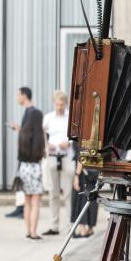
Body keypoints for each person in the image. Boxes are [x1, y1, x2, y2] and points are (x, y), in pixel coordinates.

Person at [41, 90, 74, 236]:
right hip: (53, 156)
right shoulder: (48, 118)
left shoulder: (70, 118)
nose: (59, 107)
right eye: (57, 104)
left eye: (62, 104)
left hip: (67, 156)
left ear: (65, 104)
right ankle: (54, 226)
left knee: (68, 193)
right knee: (53, 193)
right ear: (54, 103)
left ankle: (69, 226)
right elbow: (43, 134)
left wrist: (69, 142)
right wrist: (47, 146)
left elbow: (75, 135)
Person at [6, 87, 36, 219]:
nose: (17, 97)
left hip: (28, 155)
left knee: (24, 181)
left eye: (18, 95)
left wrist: (19, 129)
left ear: (24, 96)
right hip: (24, 153)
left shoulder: (32, 112)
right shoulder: (28, 112)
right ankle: (20, 207)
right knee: (20, 180)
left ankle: (22, 209)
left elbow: (32, 134)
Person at [17, 105, 45, 240]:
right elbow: (42, 155)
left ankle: (28, 231)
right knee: (35, 203)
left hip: (24, 168)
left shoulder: (23, 135)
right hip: (35, 168)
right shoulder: (40, 136)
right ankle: (34, 232)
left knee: (27, 202)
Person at [71, 143, 99, 238]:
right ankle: (90, 228)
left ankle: (82, 229)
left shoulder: (85, 136)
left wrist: (76, 175)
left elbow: (82, 155)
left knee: (82, 200)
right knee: (93, 199)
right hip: (95, 171)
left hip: (85, 173)